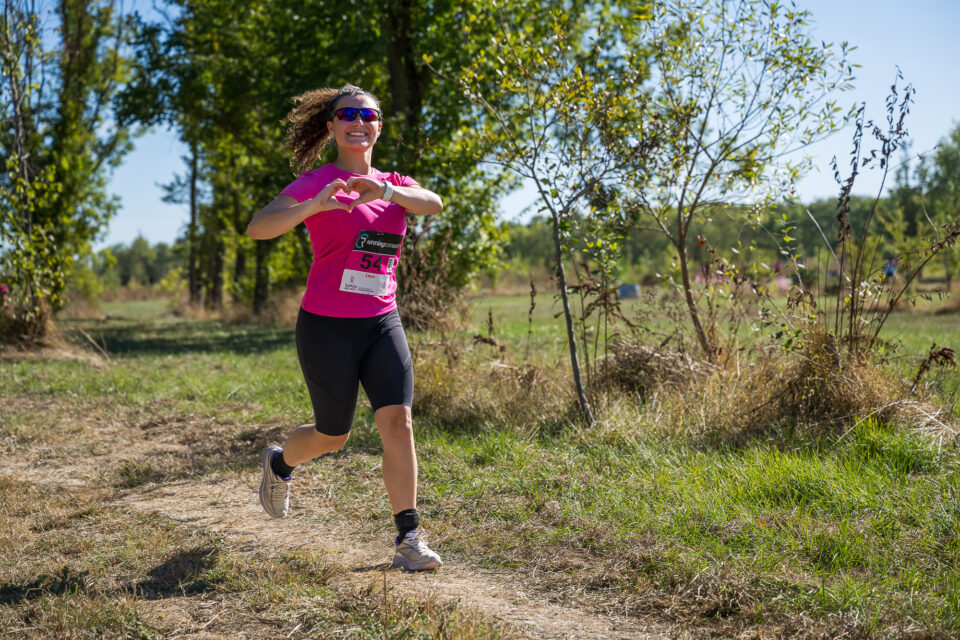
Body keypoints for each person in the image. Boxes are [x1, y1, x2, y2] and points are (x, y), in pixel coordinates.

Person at [247, 84, 443, 571]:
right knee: (333, 436)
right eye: (347, 113)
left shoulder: (395, 183)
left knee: (398, 424)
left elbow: (433, 203)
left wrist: (387, 191)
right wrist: (316, 205)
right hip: (326, 326)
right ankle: (280, 464)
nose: (359, 120)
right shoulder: (316, 181)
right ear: (332, 126)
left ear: (378, 124)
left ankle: (409, 538)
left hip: (381, 322)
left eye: (368, 113)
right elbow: (258, 227)